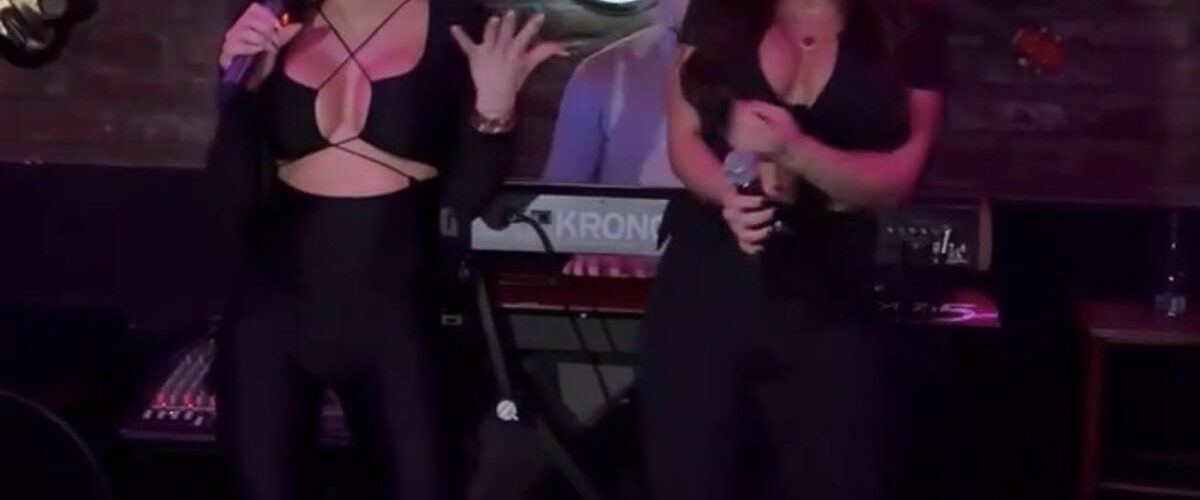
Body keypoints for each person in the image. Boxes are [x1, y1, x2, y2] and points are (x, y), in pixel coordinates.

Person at [206, 1, 563, 499]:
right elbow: (233, 198)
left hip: (395, 308)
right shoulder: (278, 15)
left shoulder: (458, 24)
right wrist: (239, 94)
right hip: (274, 306)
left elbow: (462, 201)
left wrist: (494, 113)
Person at [638, 0, 946, 498]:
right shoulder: (718, 11)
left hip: (833, 290)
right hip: (706, 283)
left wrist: (795, 150)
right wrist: (730, 196)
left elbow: (901, 175)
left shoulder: (908, 21)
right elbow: (684, 137)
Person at [541, 0, 689, 278]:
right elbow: (555, 216)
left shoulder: (772, 71)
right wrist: (597, 246)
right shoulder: (600, 73)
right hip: (628, 286)